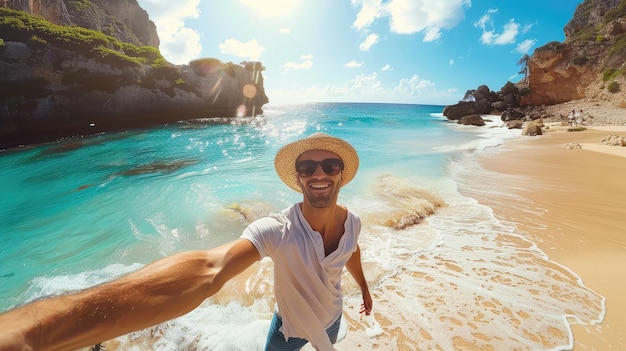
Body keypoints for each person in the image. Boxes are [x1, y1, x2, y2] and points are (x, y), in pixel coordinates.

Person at [0, 132, 373, 351]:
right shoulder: (276, 229)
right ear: (298, 179)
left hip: (330, 318)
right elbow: (208, 271)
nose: (319, 174)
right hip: (289, 328)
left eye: (330, 166)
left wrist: (365, 290)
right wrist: (39, 331)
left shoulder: (352, 222)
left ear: (342, 176)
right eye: (308, 168)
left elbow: (350, 252)